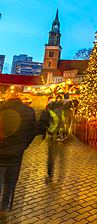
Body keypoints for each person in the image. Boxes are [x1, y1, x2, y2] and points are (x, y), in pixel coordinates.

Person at [0, 85, 36, 219]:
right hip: (16, 154)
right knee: (10, 183)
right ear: (20, 95)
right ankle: (3, 209)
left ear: (8, 95)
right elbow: (33, 131)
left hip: (0, 153)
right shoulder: (28, 111)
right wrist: (23, 145)